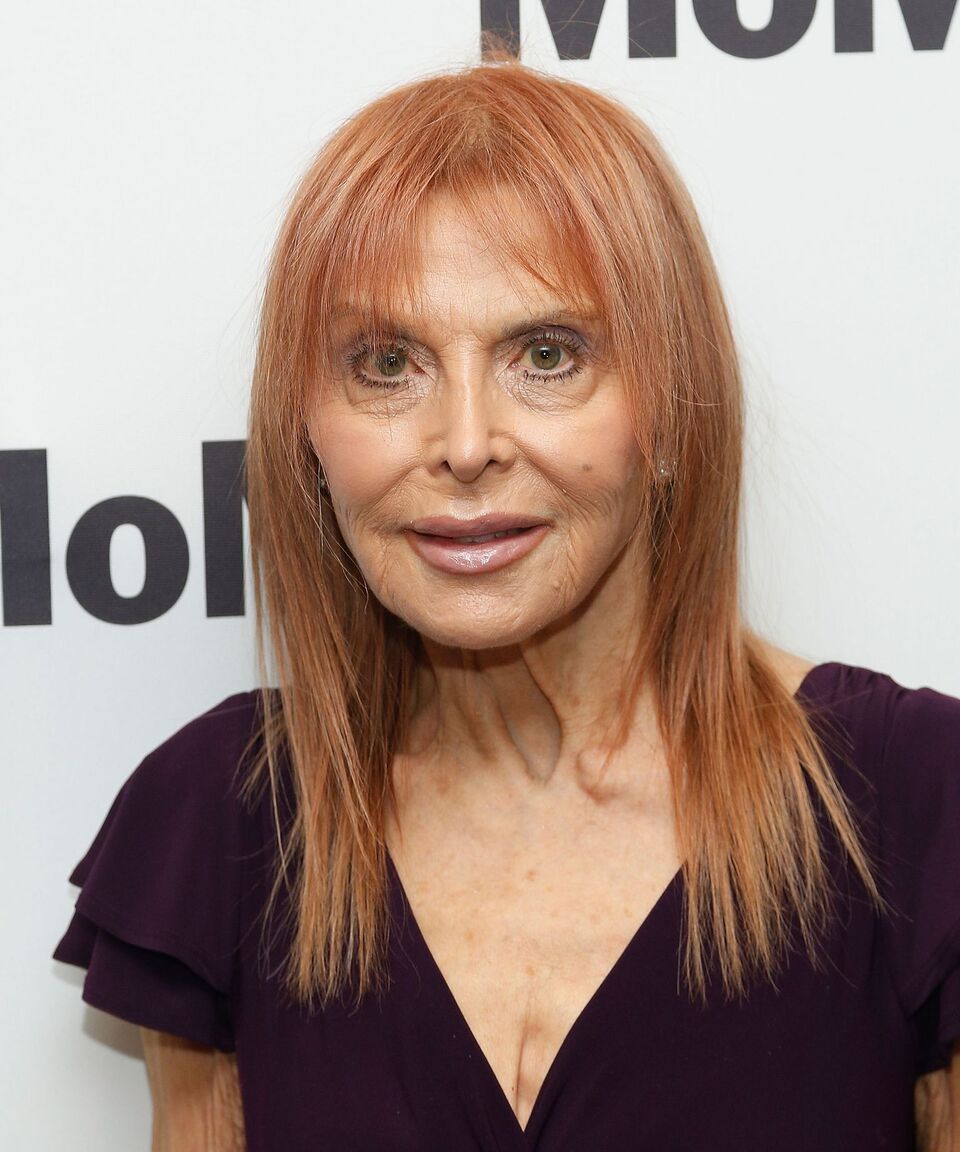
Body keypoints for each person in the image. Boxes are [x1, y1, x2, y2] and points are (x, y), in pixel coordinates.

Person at [52, 47, 960, 1151]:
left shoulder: (915, 802)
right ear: (306, 431)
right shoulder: (228, 822)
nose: (467, 445)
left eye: (546, 352)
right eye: (387, 364)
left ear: (670, 407)